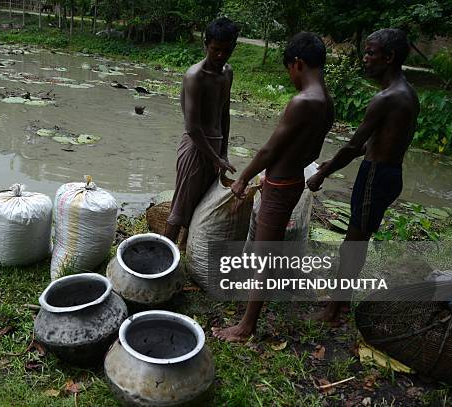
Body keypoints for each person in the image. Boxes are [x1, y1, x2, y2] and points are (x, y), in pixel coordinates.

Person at [212, 32, 334, 342]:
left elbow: (269, 149)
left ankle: (246, 326)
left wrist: (244, 177)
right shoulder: (327, 101)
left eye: (289, 70)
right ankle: (250, 312)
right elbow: (310, 152)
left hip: (282, 185)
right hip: (288, 181)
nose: (290, 77)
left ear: (298, 63)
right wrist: (281, 171)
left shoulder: (302, 101)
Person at [306, 28, 419, 325]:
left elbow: (356, 144)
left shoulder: (385, 98)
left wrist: (323, 174)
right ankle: (342, 303)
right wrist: (338, 160)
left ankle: (333, 311)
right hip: (389, 173)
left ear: (389, 57)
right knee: (358, 240)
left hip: (376, 175)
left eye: (370, 53)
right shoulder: (408, 94)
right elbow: (380, 142)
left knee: (352, 244)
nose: (365, 59)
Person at [164, 17, 239, 249]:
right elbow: (193, 127)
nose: (220, 56)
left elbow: (224, 113)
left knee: (202, 204)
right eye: (215, 49)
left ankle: (186, 251)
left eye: (226, 51)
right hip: (196, 148)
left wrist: (223, 152)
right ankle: (164, 254)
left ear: (233, 48)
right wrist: (215, 158)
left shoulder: (227, 73)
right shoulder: (195, 76)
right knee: (181, 208)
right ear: (206, 44)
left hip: (215, 147)